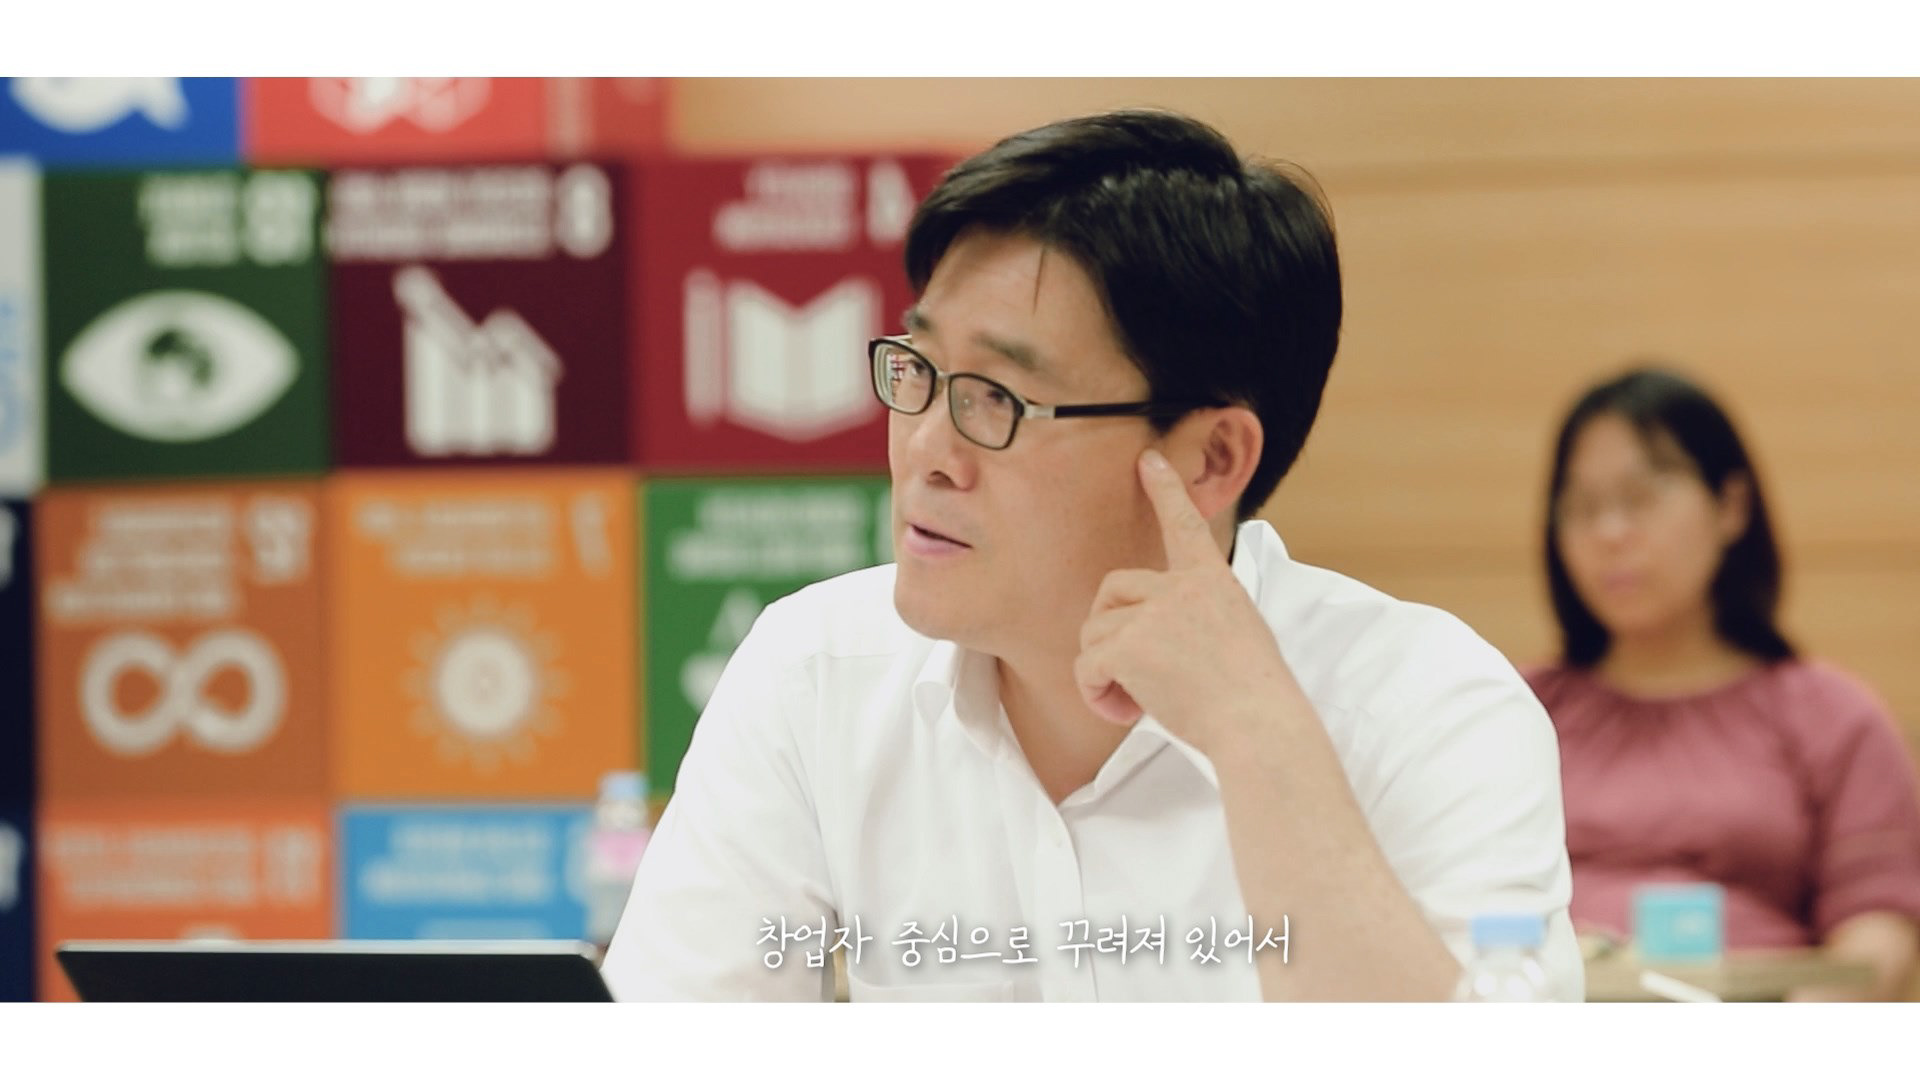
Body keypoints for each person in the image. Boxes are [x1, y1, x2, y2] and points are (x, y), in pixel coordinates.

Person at [603, 109, 1582, 1002]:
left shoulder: (1429, 713)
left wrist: (1259, 741)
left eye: (996, 398)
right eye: (920, 369)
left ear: (1211, 458)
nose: (927, 451)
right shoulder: (814, 674)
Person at [1525, 367, 1920, 1000]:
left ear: (1730, 506)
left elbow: (1878, 931)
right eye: (1582, 507)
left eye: (1640, 497)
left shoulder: (1832, 714)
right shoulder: (1514, 710)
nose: (1609, 534)